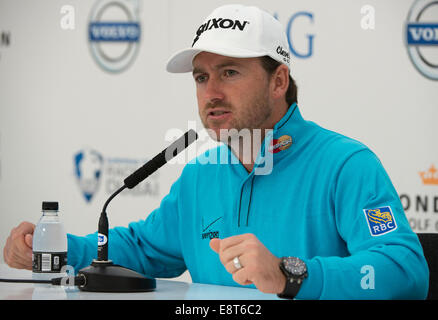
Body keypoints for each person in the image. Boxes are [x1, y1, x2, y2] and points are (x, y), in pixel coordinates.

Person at [3, 4, 429, 299]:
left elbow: (405, 272)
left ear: (278, 81)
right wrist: (58, 251)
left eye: (229, 72)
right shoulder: (201, 173)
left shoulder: (345, 165)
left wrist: (290, 275)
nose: (212, 92)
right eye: (201, 77)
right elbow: (144, 249)